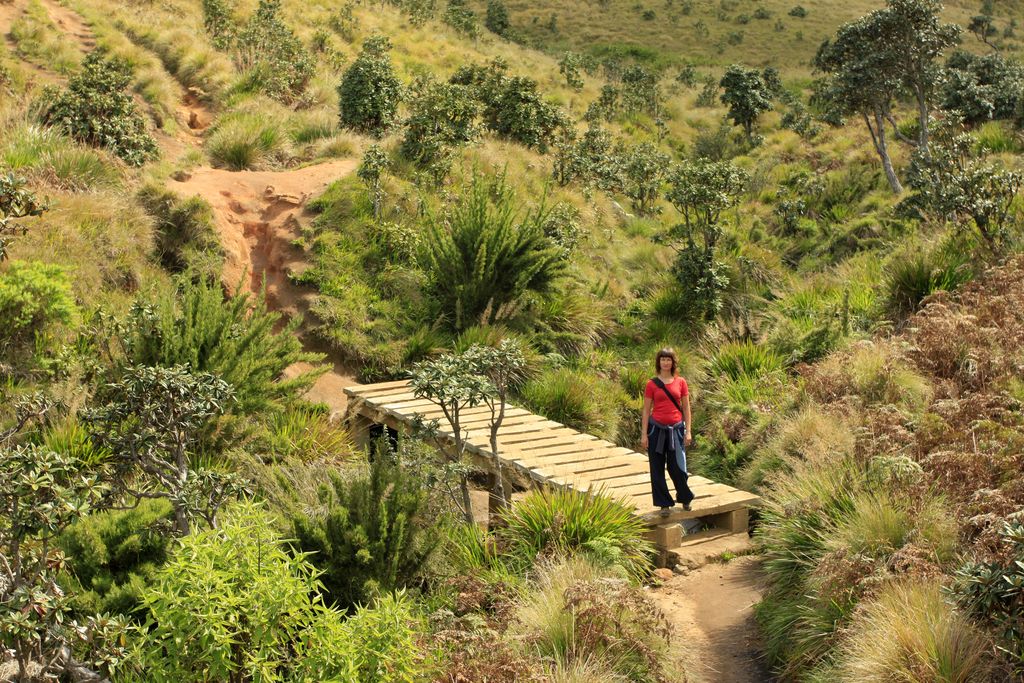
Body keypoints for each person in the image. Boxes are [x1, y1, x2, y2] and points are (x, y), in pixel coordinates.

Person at [640, 347, 695, 517]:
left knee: (678, 467)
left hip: (676, 430)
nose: (665, 362)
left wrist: (688, 432)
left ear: (673, 362)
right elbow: (646, 410)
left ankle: (685, 497)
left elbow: (686, 407)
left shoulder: (681, 382)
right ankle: (664, 504)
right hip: (656, 430)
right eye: (662, 359)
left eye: (668, 359)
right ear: (659, 362)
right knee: (656, 468)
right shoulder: (651, 384)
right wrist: (644, 434)